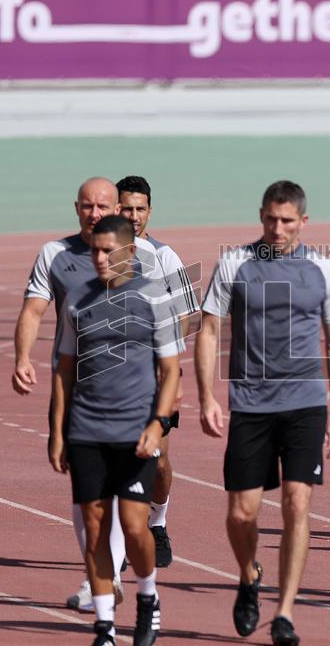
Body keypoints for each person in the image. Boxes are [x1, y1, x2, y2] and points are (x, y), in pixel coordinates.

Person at [196, 180, 330, 646]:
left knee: (296, 504)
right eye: (270, 219)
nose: (277, 228)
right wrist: (207, 396)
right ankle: (249, 574)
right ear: (260, 216)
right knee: (241, 515)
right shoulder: (234, 263)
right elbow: (207, 331)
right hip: (250, 404)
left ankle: (284, 613)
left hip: (304, 404)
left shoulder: (324, 269)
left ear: (303, 221)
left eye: (287, 221)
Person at [13, 177, 162, 612]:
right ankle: (104, 577)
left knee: (135, 498)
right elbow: (34, 309)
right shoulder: (54, 255)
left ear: (116, 206)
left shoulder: (148, 258)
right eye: (85, 206)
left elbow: (174, 323)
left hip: (138, 392)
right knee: (90, 500)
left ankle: (131, 565)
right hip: (80, 388)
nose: (94, 214)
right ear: (75, 208)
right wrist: (22, 356)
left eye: (102, 206)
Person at [49, 215, 182, 646]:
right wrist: (58, 431)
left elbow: (171, 371)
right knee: (94, 524)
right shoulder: (77, 300)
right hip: (87, 429)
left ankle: (148, 597)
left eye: (109, 250)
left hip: (136, 430)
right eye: (95, 250)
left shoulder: (154, 298)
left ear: (130, 250)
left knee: (135, 524)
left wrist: (158, 426)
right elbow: (64, 369)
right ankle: (104, 626)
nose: (100, 258)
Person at [118, 175, 200, 568]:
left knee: (159, 460)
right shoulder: (97, 256)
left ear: (150, 211)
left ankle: (158, 521)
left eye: (140, 209)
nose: (133, 216)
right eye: (126, 208)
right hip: (110, 381)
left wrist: (163, 355)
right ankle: (117, 545)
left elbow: (187, 313)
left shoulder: (165, 256)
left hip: (155, 379)